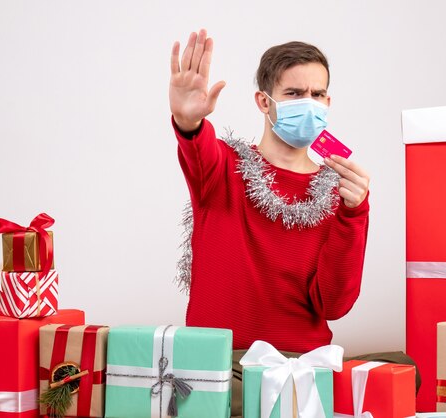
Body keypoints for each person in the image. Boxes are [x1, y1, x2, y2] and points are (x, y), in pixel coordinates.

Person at [169, 29, 417, 417]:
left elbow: (333, 304)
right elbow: (199, 151)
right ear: (263, 102)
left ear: (329, 101)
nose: (309, 103)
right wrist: (189, 123)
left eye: (317, 95)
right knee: (221, 400)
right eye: (294, 93)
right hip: (225, 363)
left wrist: (355, 213)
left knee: (404, 372)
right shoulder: (223, 170)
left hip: (302, 363)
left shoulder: (340, 191)